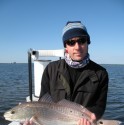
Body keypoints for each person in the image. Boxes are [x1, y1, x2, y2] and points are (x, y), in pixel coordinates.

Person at [22, 21, 109, 125]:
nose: (77, 47)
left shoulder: (101, 73)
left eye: (82, 40)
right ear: (66, 47)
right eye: (71, 42)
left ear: (88, 43)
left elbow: (100, 106)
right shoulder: (51, 69)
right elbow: (43, 102)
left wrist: (92, 116)